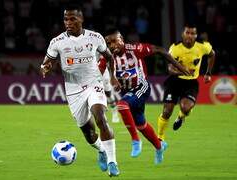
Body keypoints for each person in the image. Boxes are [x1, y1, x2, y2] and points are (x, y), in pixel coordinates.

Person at [40, 5, 121, 176]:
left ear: (81, 19)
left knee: (100, 117)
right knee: (89, 132)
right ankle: (101, 150)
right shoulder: (57, 42)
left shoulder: (95, 37)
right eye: (65, 19)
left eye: (72, 19)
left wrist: (113, 77)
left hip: (94, 83)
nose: (68, 23)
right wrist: (45, 68)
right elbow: (47, 63)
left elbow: (109, 56)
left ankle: (113, 162)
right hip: (73, 90)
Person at [101, 29, 190, 164]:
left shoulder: (135, 49)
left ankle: (135, 141)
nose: (113, 45)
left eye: (115, 41)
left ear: (122, 39)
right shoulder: (107, 56)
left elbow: (159, 50)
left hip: (141, 87)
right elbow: (97, 71)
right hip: (128, 93)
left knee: (121, 105)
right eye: (109, 43)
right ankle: (159, 147)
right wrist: (110, 78)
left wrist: (179, 66)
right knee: (141, 124)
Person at [157, 24, 215, 141]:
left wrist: (208, 73)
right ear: (183, 34)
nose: (190, 36)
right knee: (167, 111)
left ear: (196, 35)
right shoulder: (175, 48)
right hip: (175, 82)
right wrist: (183, 71)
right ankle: (160, 138)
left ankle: (181, 116)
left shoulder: (203, 46)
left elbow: (212, 54)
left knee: (186, 108)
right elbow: (170, 69)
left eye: (192, 33)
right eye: (187, 33)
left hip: (191, 83)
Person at [98, 55, 121, 123]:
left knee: (108, 93)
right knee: (95, 92)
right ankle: (101, 114)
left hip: (103, 70)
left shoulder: (100, 47)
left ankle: (114, 112)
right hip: (91, 71)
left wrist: (113, 76)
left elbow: (110, 60)